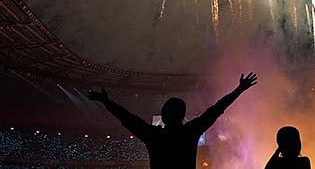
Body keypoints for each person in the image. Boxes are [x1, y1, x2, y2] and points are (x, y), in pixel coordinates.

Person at [88, 72, 257, 169]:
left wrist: (106, 102)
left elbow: (127, 117)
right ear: (183, 115)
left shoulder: (153, 135)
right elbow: (217, 109)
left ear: (162, 115)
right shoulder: (190, 131)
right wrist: (240, 89)